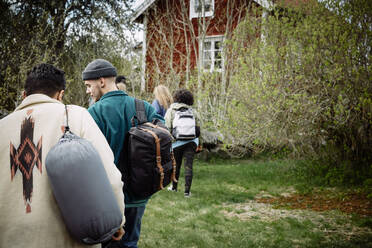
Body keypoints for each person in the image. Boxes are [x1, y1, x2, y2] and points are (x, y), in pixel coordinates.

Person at [0, 63, 125, 248]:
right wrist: (117, 221)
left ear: (24, 95)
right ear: (60, 94)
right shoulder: (75, 116)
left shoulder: (2, 127)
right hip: (68, 239)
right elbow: (110, 177)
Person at [82, 59, 164, 248]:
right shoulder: (144, 107)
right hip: (139, 193)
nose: (88, 91)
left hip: (107, 197)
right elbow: (165, 136)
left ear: (101, 81)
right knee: (129, 242)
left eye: (88, 85)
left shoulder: (94, 113)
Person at [164, 89, 202, 197]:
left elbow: (167, 127)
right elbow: (199, 128)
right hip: (191, 141)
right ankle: (187, 192)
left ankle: (174, 188)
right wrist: (200, 143)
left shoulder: (171, 110)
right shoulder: (193, 111)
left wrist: (170, 141)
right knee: (188, 165)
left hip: (176, 142)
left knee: (176, 165)